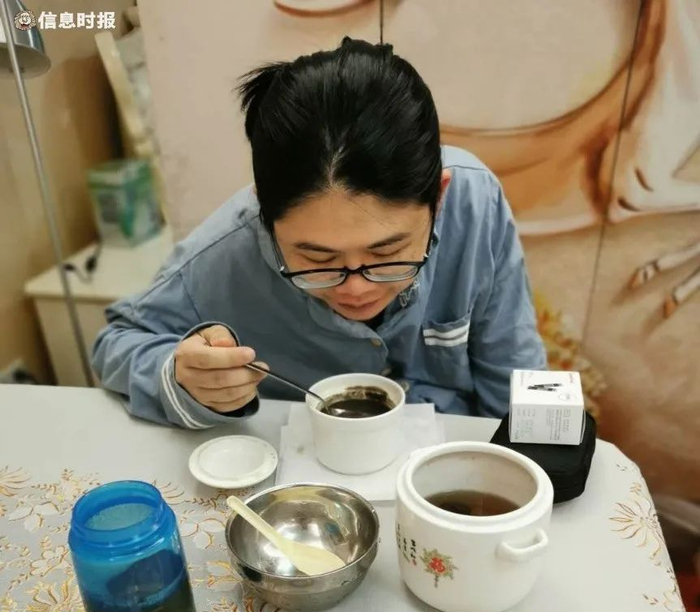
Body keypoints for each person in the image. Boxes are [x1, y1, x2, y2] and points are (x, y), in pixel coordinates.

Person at [93, 38, 546, 429]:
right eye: (318, 259)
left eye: (388, 253)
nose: (357, 289)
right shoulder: (225, 252)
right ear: (264, 213)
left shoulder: (474, 202)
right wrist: (182, 378)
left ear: (439, 197)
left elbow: (514, 369)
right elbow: (117, 343)